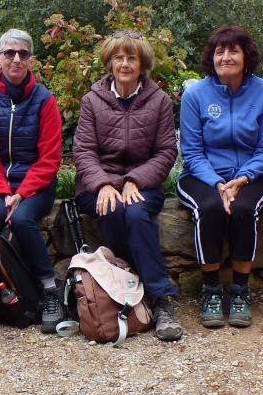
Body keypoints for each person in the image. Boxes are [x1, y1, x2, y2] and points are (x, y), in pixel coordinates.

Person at [73, 30, 182, 341]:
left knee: (134, 213)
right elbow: (83, 151)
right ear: (109, 62)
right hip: (97, 185)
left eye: (131, 57)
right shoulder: (92, 101)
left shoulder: (158, 101)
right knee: (111, 210)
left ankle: (160, 301)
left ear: (142, 63)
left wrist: (135, 180)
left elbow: (166, 152)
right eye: (118, 57)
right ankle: (134, 290)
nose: (124, 63)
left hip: (142, 185)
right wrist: (105, 184)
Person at [176, 26, 263, 329]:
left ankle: (239, 290)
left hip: (254, 174)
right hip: (203, 174)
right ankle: (210, 290)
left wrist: (243, 178)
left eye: (233, 50)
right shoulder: (195, 94)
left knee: (244, 208)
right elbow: (191, 151)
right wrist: (218, 184)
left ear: (246, 56)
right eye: (220, 51)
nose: (226, 57)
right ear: (212, 58)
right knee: (208, 208)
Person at [0, 29, 64, 334]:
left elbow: (49, 157)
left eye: (23, 53)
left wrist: (21, 193)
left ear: (32, 60)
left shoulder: (44, 100)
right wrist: (1, 191)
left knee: (23, 220)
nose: (16, 59)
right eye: (9, 53)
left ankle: (49, 290)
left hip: (34, 185)